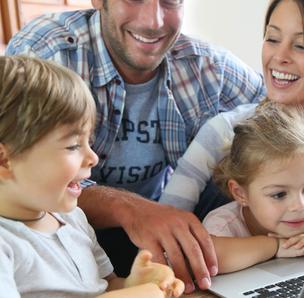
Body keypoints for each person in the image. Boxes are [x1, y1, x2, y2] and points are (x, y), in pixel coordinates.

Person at [5, 0, 266, 292]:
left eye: (170, 1)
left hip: (142, 228)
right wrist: (130, 210)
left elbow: (279, 109)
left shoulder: (206, 65)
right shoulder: (46, 57)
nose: (153, 21)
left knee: (243, 162)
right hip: (84, 220)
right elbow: (19, 176)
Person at [160, 0, 304, 211]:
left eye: (301, 45)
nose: (279, 57)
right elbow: (166, 219)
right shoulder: (225, 131)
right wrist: (272, 246)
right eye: (272, 39)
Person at [0, 55, 184, 298]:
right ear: (5, 160)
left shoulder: (73, 218)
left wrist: (134, 284)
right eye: (73, 145)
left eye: (89, 141)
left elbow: (104, 287)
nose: (93, 158)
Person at [203, 101, 304, 273]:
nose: (301, 205)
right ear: (240, 193)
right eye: (280, 194)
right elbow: (209, 260)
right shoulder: (224, 226)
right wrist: (275, 246)